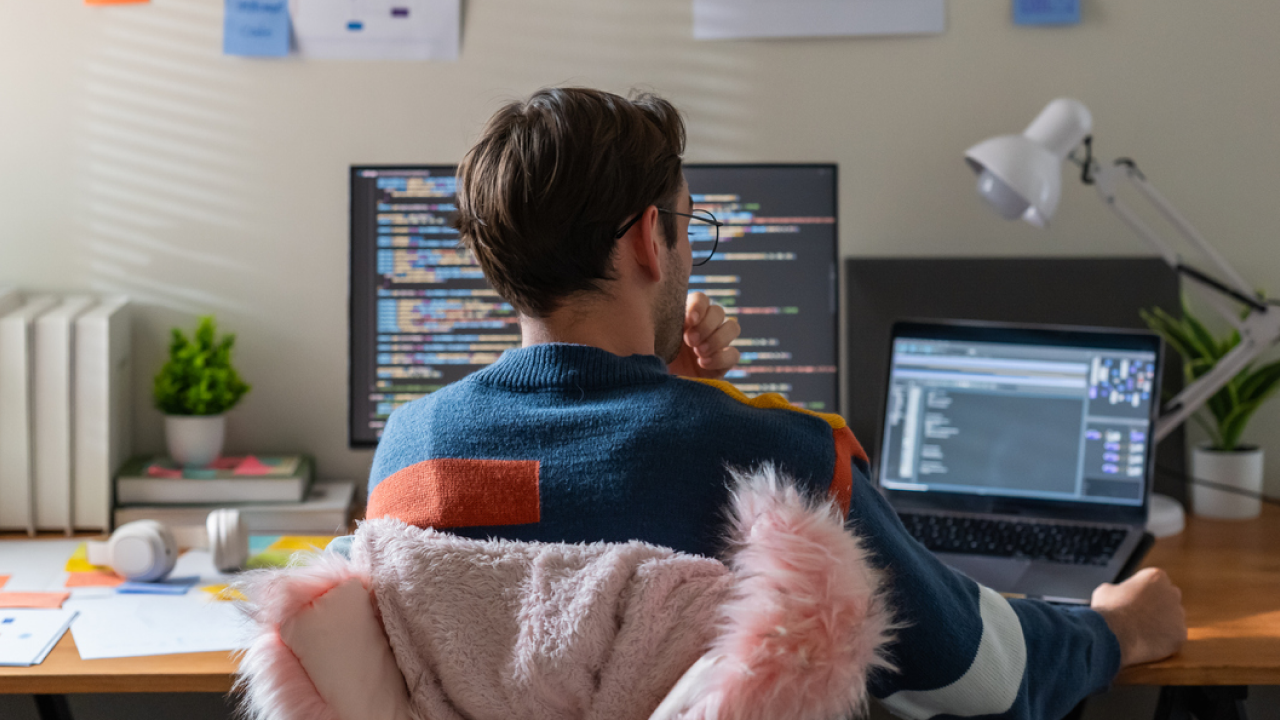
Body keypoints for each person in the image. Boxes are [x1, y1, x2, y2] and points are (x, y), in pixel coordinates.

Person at [366, 87, 1186, 720]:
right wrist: (1117, 631)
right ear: (651, 237)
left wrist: (676, 398)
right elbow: (983, 675)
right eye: (689, 225)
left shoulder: (409, 456)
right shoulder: (780, 463)